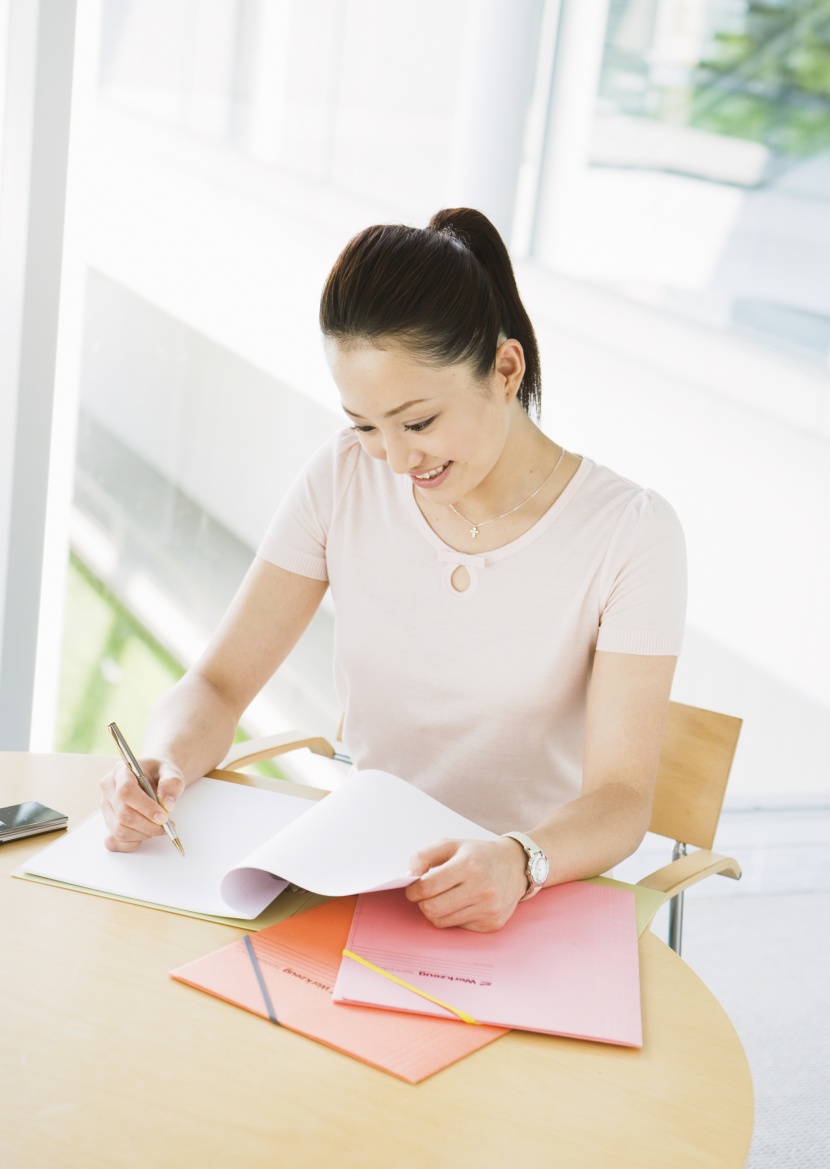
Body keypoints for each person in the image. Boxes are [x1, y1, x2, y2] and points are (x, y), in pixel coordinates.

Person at [100, 207, 686, 933]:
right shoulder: (346, 477)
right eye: (364, 425)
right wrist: (161, 763)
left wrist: (519, 859)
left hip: (533, 899)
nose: (396, 460)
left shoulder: (630, 533)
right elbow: (217, 686)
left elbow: (622, 798)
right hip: (364, 887)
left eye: (417, 423)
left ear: (506, 369)